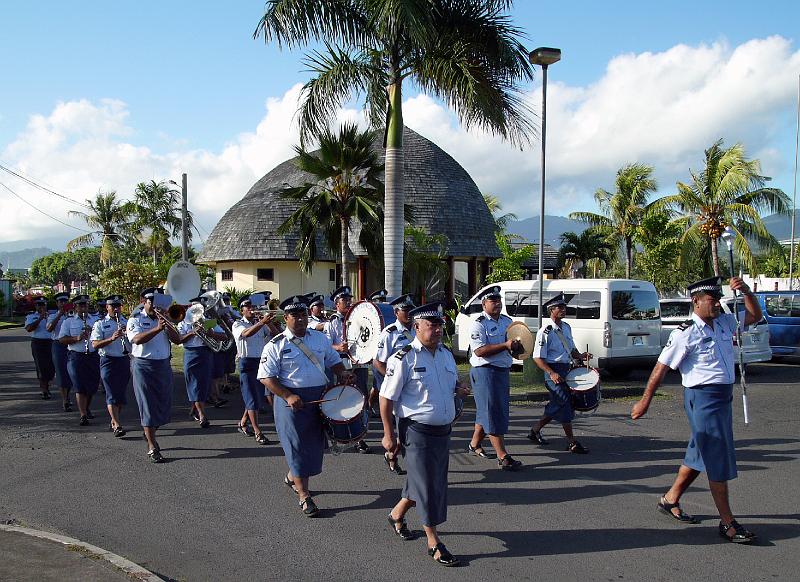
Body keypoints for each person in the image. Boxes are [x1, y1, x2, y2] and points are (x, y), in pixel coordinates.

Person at [631, 276, 761, 544]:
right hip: (702, 399)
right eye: (712, 300)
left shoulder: (724, 322)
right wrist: (645, 400)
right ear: (696, 302)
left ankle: (670, 499)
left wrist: (746, 291)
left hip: (723, 398)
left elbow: (754, 315)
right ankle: (727, 522)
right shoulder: (685, 332)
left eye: (718, 299)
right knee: (716, 458)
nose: (716, 304)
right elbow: (661, 367)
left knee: (700, 453)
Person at [380, 302, 471, 567]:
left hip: (443, 430)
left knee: (426, 479)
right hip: (416, 431)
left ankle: (397, 514)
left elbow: (451, 383)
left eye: (440, 324)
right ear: (416, 327)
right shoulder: (404, 357)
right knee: (430, 485)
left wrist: (459, 389)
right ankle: (434, 541)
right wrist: (388, 435)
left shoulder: (445, 355)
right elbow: (386, 399)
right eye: (431, 325)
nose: (438, 330)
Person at [258, 295, 354, 517]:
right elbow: (266, 377)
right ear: (286, 318)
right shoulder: (276, 344)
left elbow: (333, 361)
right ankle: (304, 496)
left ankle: (293, 476)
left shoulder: (319, 339)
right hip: (291, 402)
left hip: (320, 397)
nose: (300, 319)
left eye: (303, 314)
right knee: (297, 446)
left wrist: (343, 373)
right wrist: (288, 395)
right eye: (295, 315)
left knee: (315, 444)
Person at [528, 293, 593, 453]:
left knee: (560, 403)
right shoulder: (546, 331)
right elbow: (537, 357)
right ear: (551, 310)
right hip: (553, 370)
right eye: (560, 307)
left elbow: (571, 349)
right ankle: (571, 442)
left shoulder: (566, 327)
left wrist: (580, 355)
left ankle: (535, 430)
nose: (564, 310)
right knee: (564, 403)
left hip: (567, 369)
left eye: (564, 307)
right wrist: (551, 373)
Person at [467, 286, 523, 470]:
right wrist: (505, 344)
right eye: (493, 301)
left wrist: (517, 348)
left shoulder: (508, 322)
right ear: (484, 304)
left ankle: (474, 444)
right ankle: (502, 455)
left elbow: (514, 346)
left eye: (499, 300)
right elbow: (480, 350)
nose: (497, 304)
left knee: (490, 409)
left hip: (501, 370)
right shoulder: (478, 323)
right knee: (493, 412)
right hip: (485, 372)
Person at [127, 287, 182, 463]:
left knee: (163, 404)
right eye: (152, 303)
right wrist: (158, 328)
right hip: (143, 366)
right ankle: (152, 446)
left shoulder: (164, 319)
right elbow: (136, 340)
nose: (155, 307)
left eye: (159, 304)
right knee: (148, 405)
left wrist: (167, 323)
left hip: (163, 365)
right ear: (145, 302)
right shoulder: (135, 319)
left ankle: (148, 430)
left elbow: (178, 340)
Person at [372, 293, 416, 474]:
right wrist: (392, 380)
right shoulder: (389, 333)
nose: (409, 314)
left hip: (415, 384)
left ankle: (392, 455)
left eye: (411, 310)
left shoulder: (417, 328)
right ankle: (393, 454)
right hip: (397, 385)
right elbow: (378, 362)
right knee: (399, 425)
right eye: (405, 311)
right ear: (396, 312)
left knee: (409, 426)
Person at [325, 285, 370, 453]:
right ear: (337, 304)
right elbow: (327, 345)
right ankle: (346, 434)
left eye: (350, 299)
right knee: (346, 400)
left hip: (359, 363)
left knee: (362, 399)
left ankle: (360, 437)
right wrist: (338, 347)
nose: (349, 302)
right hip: (342, 365)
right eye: (345, 300)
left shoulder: (358, 318)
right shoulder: (332, 322)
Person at [232, 294, 280, 444]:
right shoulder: (237, 324)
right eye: (248, 307)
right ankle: (258, 432)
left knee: (256, 397)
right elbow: (246, 334)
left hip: (261, 362)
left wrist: (269, 323)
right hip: (247, 363)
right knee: (252, 397)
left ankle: (243, 422)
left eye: (253, 307)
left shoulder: (259, 323)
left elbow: (276, 335)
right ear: (242, 310)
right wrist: (261, 323)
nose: (252, 309)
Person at [177, 296, 229, 428]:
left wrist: (211, 334)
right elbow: (178, 339)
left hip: (206, 353)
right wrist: (192, 333)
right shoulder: (184, 322)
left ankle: (195, 409)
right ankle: (202, 415)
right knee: (194, 384)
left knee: (204, 384)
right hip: (191, 354)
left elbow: (224, 336)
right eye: (193, 306)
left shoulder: (208, 322)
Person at [90, 295, 132, 437]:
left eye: (118, 306)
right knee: (111, 392)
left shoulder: (127, 322)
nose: (116, 309)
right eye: (113, 306)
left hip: (124, 360)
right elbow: (95, 344)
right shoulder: (100, 324)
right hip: (108, 360)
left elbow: (135, 342)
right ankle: (117, 423)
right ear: (107, 307)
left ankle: (115, 420)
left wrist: (128, 334)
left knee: (120, 395)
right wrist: (111, 338)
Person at [57, 294, 100, 425]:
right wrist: (77, 338)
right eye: (80, 305)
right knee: (79, 385)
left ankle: (87, 408)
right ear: (75, 307)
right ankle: (83, 414)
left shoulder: (96, 320)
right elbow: (62, 339)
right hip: (76, 356)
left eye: (85, 305)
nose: (83, 307)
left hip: (92, 355)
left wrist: (92, 332)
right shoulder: (69, 321)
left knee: (92, 385)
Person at [46, 292, 73, 410]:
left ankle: (68, 395)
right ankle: (65, 400)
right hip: (58, 345)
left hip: (71, 344)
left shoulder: (73, 315)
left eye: (65, 301)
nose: (63, 303)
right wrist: (59, 315)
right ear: (57, 303)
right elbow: (49, 328)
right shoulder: (52, 316)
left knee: (71, 372)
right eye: (61, 302)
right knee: (61, 372)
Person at [25, 297, 55, 400]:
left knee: (51, 367)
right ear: (36, 306)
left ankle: (47, 386)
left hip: (50, 342)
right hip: (38, 343)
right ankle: (44, 390)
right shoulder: (31, 316)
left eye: (43, 304)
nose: (41, 307)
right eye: (39, 305)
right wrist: (40, 318)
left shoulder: (52, 315)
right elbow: (29, 329)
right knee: (41, 367)